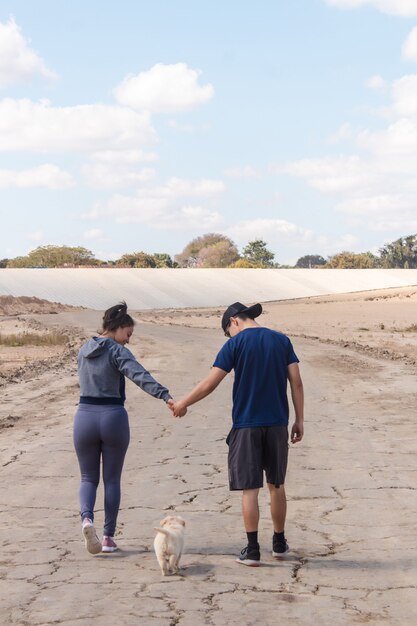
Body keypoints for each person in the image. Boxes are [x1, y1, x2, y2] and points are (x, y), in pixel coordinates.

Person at [170, 302, 304, 566]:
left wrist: (183, 403)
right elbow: (296, 382)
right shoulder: (281, 340)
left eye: (227, 331)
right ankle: (279, 544)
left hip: (246, 425)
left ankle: (252, 550)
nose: (229, 336)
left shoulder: (235, 344)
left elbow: (210, 383)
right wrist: (299, 420)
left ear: (234, 321)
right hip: (277, 423)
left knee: (250, 490)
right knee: (276, 485)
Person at [74, 302, 174, 555]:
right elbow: (139, 375)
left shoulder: (84, 349)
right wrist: (165, 396)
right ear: (118, 329)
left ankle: (87, 519)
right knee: (111, 479)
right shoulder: (117, 351)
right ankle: (107, 538)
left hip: (84, 416)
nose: (128, 341)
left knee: (87, 477)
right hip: (112, 417)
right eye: (127, 334)